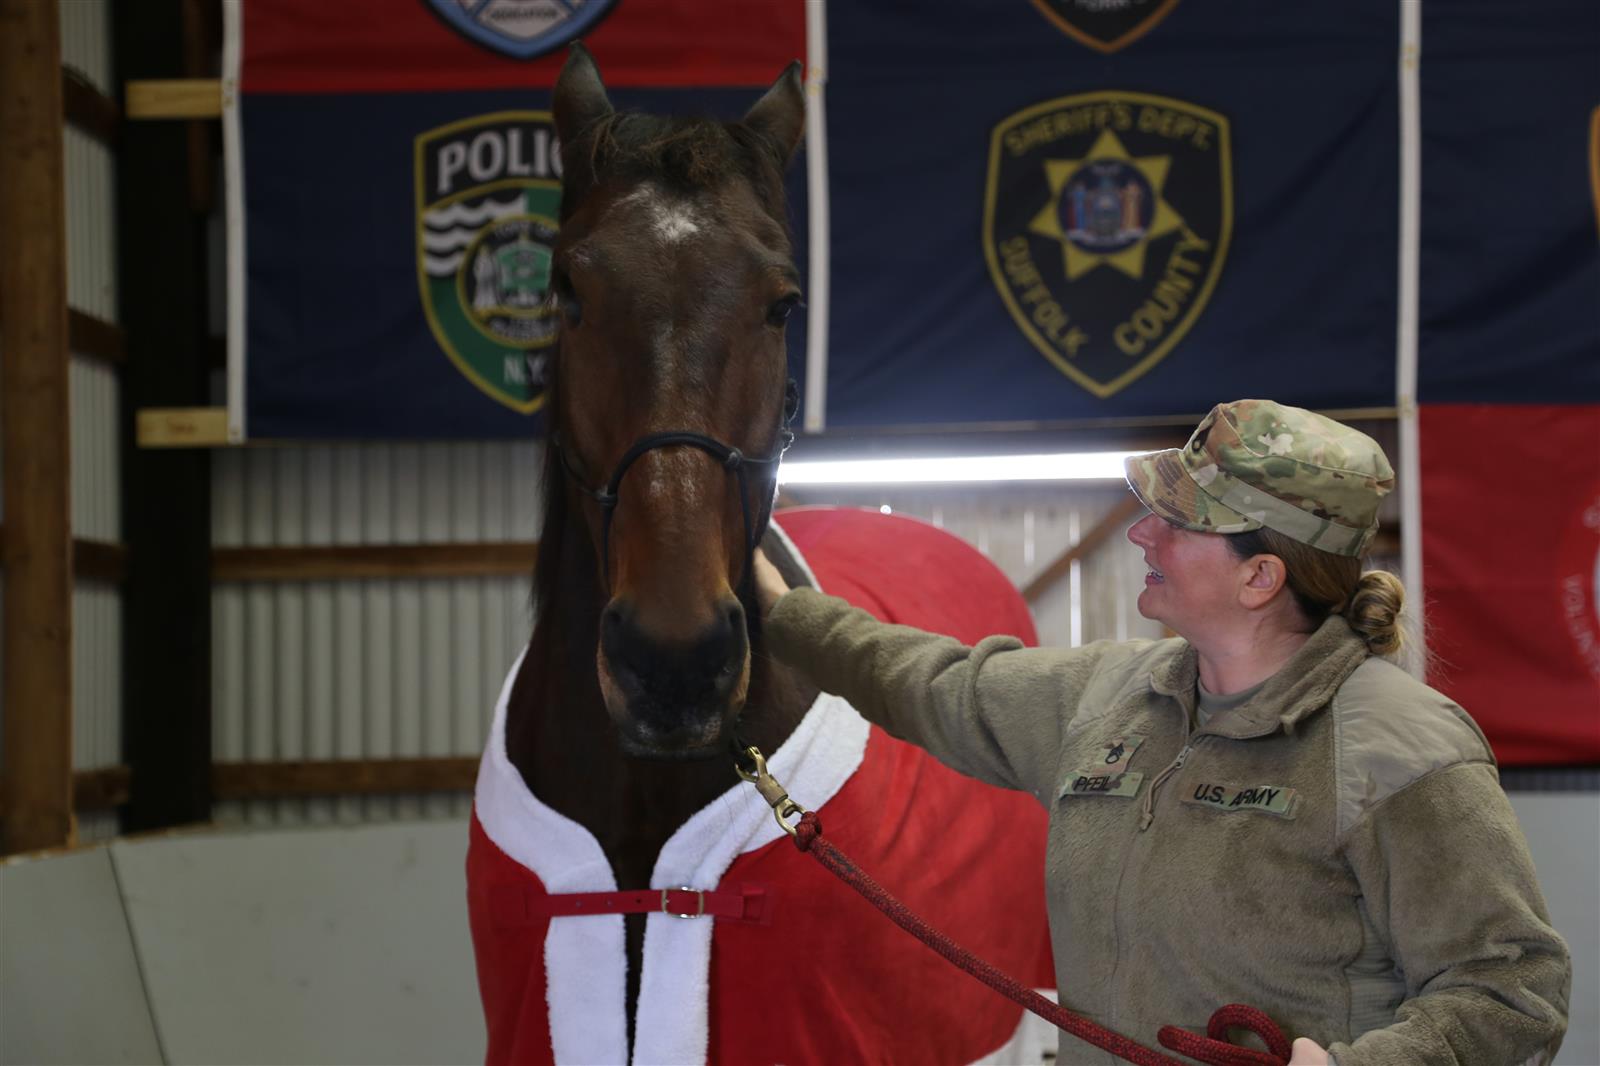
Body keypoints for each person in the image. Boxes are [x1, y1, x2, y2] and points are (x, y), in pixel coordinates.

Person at [752, 399, 1570, 1066]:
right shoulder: (1105, 697)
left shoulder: (1399, 749)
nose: (1142, 532)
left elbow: (1513, 988)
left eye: (1178, 521)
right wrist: (780, 606)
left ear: (1260, 576)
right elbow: (933, 684)